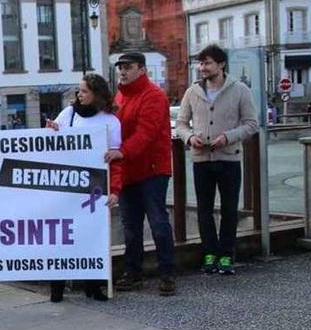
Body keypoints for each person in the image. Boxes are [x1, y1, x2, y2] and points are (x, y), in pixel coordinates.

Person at [176, 44, 258, 275]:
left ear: (221, 64)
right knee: (204, 209)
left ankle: (226, 254)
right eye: (201, 63)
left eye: (208, 63)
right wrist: (190, 137)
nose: (203, 68)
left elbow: (252, 123)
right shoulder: (192, 92)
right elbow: (181, 123)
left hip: (229, 158)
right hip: (202, 159)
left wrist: (228, 137)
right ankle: (210, 252)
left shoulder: (239, 89)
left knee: (230, 209)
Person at [105, 52, 177, 296]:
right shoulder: (119, 97)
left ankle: (167, 273)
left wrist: (121, 152)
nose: (123, 71)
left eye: (128, 67)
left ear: (142, 69)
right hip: (128, 170)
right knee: (130, 227)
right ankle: (133, 271)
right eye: (121, 67)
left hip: (152, 170)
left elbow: (146, 133)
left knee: (158, 222)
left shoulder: (154, 96)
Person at [46, 74, 122, 302]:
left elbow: (115, 160)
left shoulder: (110, 121)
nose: (80, 95)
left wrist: (115, 189)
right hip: (66, 185)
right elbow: (50, 146)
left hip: (94, 188)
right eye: (79, 91)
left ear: (97, 95)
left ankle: (93, 285)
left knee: (91, 237)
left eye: (85, 91)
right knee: (61, 237)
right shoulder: (68, 115)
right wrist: (50, 131)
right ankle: (57, 287)